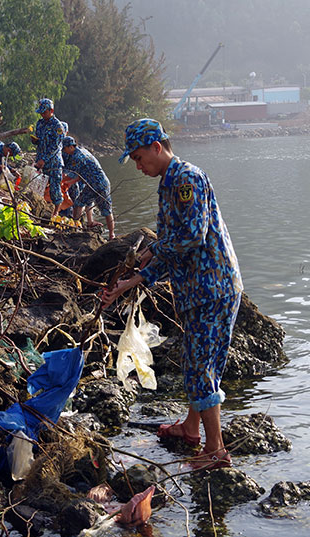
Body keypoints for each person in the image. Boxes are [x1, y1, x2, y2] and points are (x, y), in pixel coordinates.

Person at [102, 118, 243, 470]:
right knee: (198, 361)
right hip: (196, 289)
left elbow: (191, 237)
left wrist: (152, 254)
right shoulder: (168, 183)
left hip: (212, 287)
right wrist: (135, 278)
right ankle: (191, 429)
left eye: (138, 157)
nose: (138, 165)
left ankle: (215, 450)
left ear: (156, 147)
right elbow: (169, 250)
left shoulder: (186, 179)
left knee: (201, 366)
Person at [61, 136, 115, 240]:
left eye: (64, 149)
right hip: (96, 183)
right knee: (84, 204)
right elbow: (82, 173)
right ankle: (109, 234)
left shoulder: (76, 157)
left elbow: (71, 175)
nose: (64, 151)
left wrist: (58, 181)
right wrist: (71, 182)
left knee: (103, 209)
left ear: (70, 147)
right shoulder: (83, 151)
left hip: (98, 184)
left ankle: (75, 227)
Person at [33, 98, 67, 218]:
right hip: (40, 159)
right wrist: (35, 141)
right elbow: (39, 139)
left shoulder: (58, 126)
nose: (42, 114)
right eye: (41, 112)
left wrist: (44, 159)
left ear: (51, 110)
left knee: (54, 187)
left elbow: (55, 146)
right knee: (37, 186)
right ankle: (38, 208)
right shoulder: (40, 123)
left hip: (53, 162)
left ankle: (56, 212)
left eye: (45, 112)